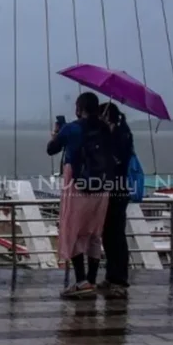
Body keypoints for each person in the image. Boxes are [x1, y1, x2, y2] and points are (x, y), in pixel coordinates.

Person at [47, 92, 113, 299]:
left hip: (78, 185)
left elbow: (51, 149)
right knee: (94, 233)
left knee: (73, 229)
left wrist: (57, 134)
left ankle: (81, 281)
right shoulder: (105, 129)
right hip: (103, 187)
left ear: (80, 107)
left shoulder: (72, 128)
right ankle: (92, 281)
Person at [100, 103, 134, 297]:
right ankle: (112, 276)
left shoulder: (121, 135)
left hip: (117, 191)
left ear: (107, 116)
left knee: (116, 236)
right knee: (109, 235)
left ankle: (119, 279)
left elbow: (116, 161)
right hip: (113, 190)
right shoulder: (120, 133)